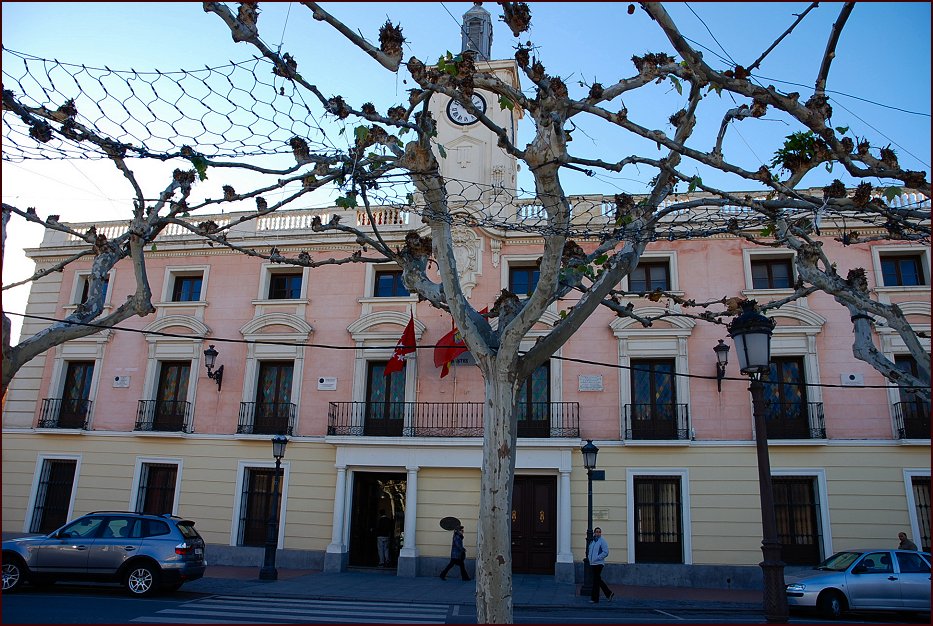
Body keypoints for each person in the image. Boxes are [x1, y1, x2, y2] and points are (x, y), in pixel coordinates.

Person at [588, 527, 615, 604]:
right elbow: (590, 551)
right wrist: (590, 559)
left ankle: (595, 599)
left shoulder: (602, 541)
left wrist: (597, 558)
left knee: (596, 581)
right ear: (594, 533)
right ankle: (609, 593)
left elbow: (606, 552)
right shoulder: (592, 542)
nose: (598, 533)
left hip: (599, 564)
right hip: (593, 564)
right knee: (597, 580)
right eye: (597, 532)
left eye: (599, 532)